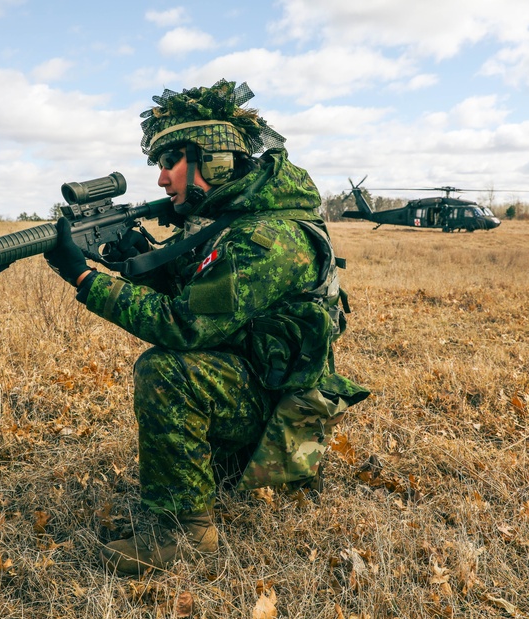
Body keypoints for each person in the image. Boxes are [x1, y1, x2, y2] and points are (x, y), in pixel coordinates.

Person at [44, 79, 368, 575]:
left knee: (166, 370)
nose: (160, 181)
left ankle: (186, 536)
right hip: (261, 382)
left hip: (282, 411)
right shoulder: (238, 221)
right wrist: (145, 262)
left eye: (169, 163)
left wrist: (86, 279)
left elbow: (185, 325)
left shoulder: (265, 236)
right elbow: (209, 298)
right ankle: (211, 474)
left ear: (213, 163)